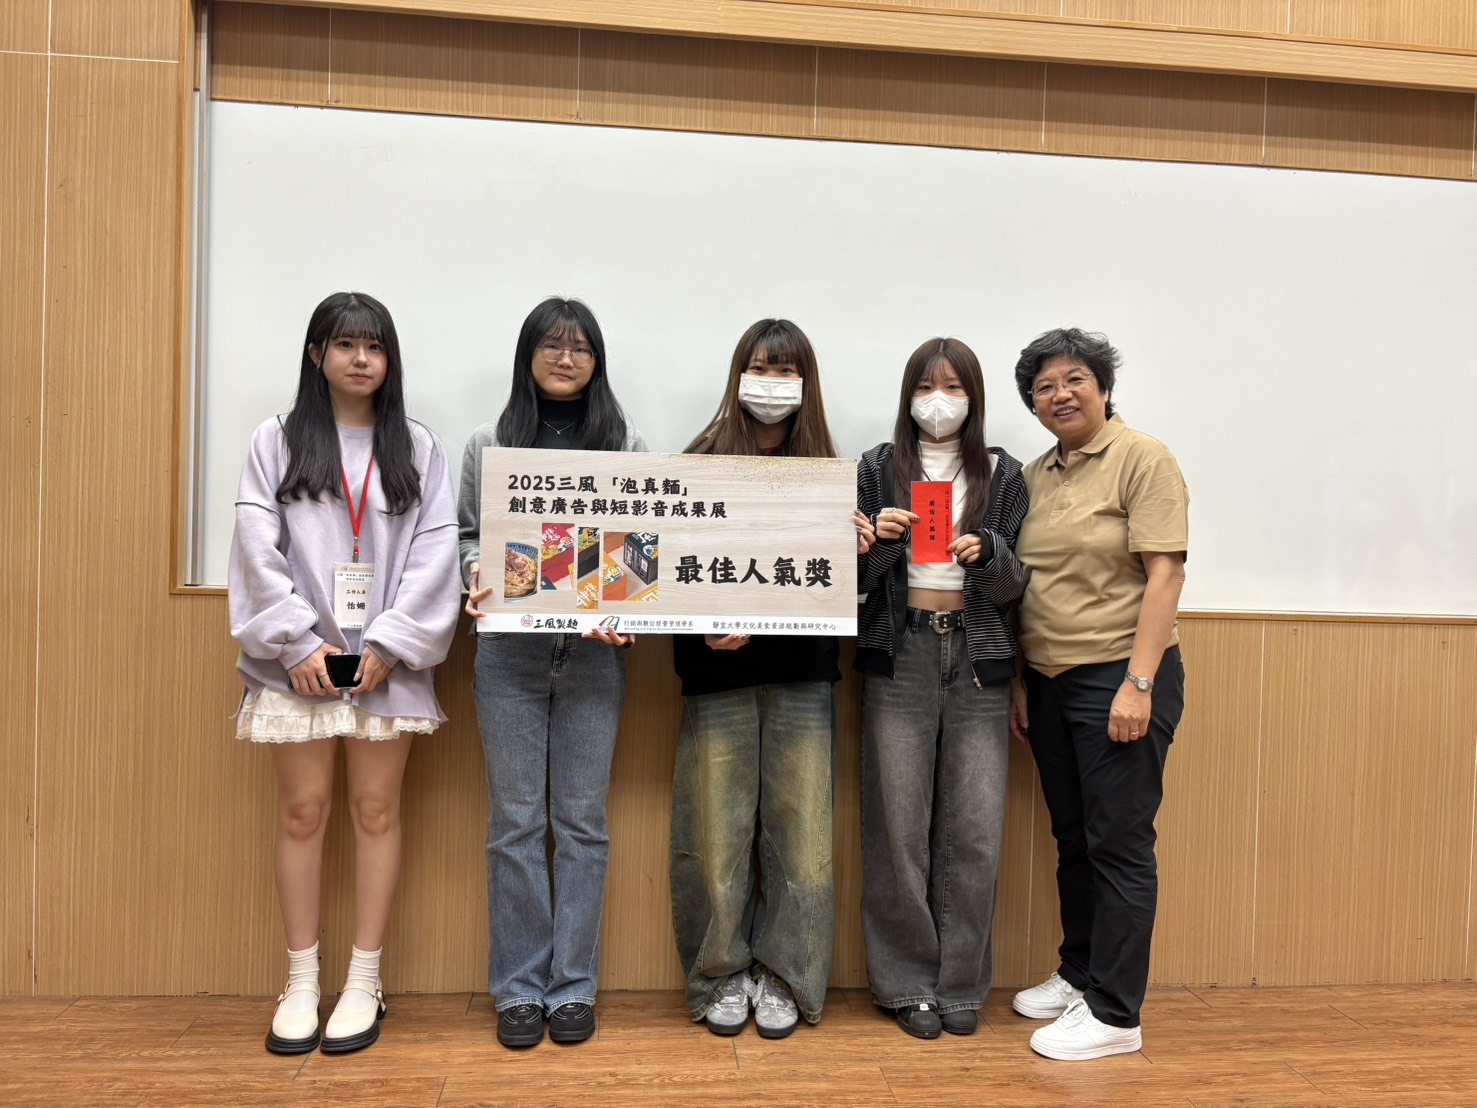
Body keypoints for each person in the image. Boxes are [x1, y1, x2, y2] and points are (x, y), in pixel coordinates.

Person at [229, 291, 461, 1056]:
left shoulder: (417, 447)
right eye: (345, 344)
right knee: (303, 813)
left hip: (385, 666)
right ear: (316, 355)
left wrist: (389, 645)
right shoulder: (276, 440)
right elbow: (255, 549)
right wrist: (296, 646)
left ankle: (365, 980)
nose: (361, 359)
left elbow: (435, 554)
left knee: (375, 811)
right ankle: (301, 980)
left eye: (375, 346)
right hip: (297, 667)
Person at [458, 297, 646, 1048]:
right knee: (514, 823)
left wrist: (627, 605)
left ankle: (572, 988)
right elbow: (467, 537)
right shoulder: (490, 443)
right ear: (527, 354)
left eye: (581, 348)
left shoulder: (625, 445)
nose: (566, 359)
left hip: (595, 654)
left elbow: (641, 548)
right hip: (509, 655)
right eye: (552, 345)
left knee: (581, 824)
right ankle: (517, 990)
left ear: (597, 361)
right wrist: (475, 573)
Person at [1007, 327, 1188, 1061]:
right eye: (1044, 387)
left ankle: (1115, 1013)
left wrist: (1138, 684)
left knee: (1118, 843)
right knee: (1073, 838)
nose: (1061, 394)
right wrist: (1023, 680)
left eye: (1074, 379)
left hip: (1119, 675)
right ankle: (1080, 973)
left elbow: (1166, 573)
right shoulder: (1034, 475)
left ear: (1104, 388)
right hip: (1048, 681)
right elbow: (1027, 586)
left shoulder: (1143, 458)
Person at [670, 319, 842, 1039]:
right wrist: (702, 628)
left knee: (802, 840)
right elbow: (667, 569)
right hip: (718, 674)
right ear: (739, 375)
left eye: (785, 370)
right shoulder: (699, 461)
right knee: (714, 838)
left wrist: (859, 547)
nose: (771, 383)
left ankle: (787, 975)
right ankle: (719, 973)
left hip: (803, 674)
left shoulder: (830, 469)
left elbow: (841, 586)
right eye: (761, 368)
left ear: (806, 383)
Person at [853, 337, 1028, 1040]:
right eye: (926, 387)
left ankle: (959, 984)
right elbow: (850, 583)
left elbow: (1016, 588)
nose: (939, 400)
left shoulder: (1003, 473)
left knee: (975, 830)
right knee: (897, 827)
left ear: (973, 399)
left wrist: (990, 553)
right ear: (908, 396)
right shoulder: (875, 467)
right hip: (901, 653)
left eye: (954, 388)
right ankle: (906, 984)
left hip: (980, 659)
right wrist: (878, 542)